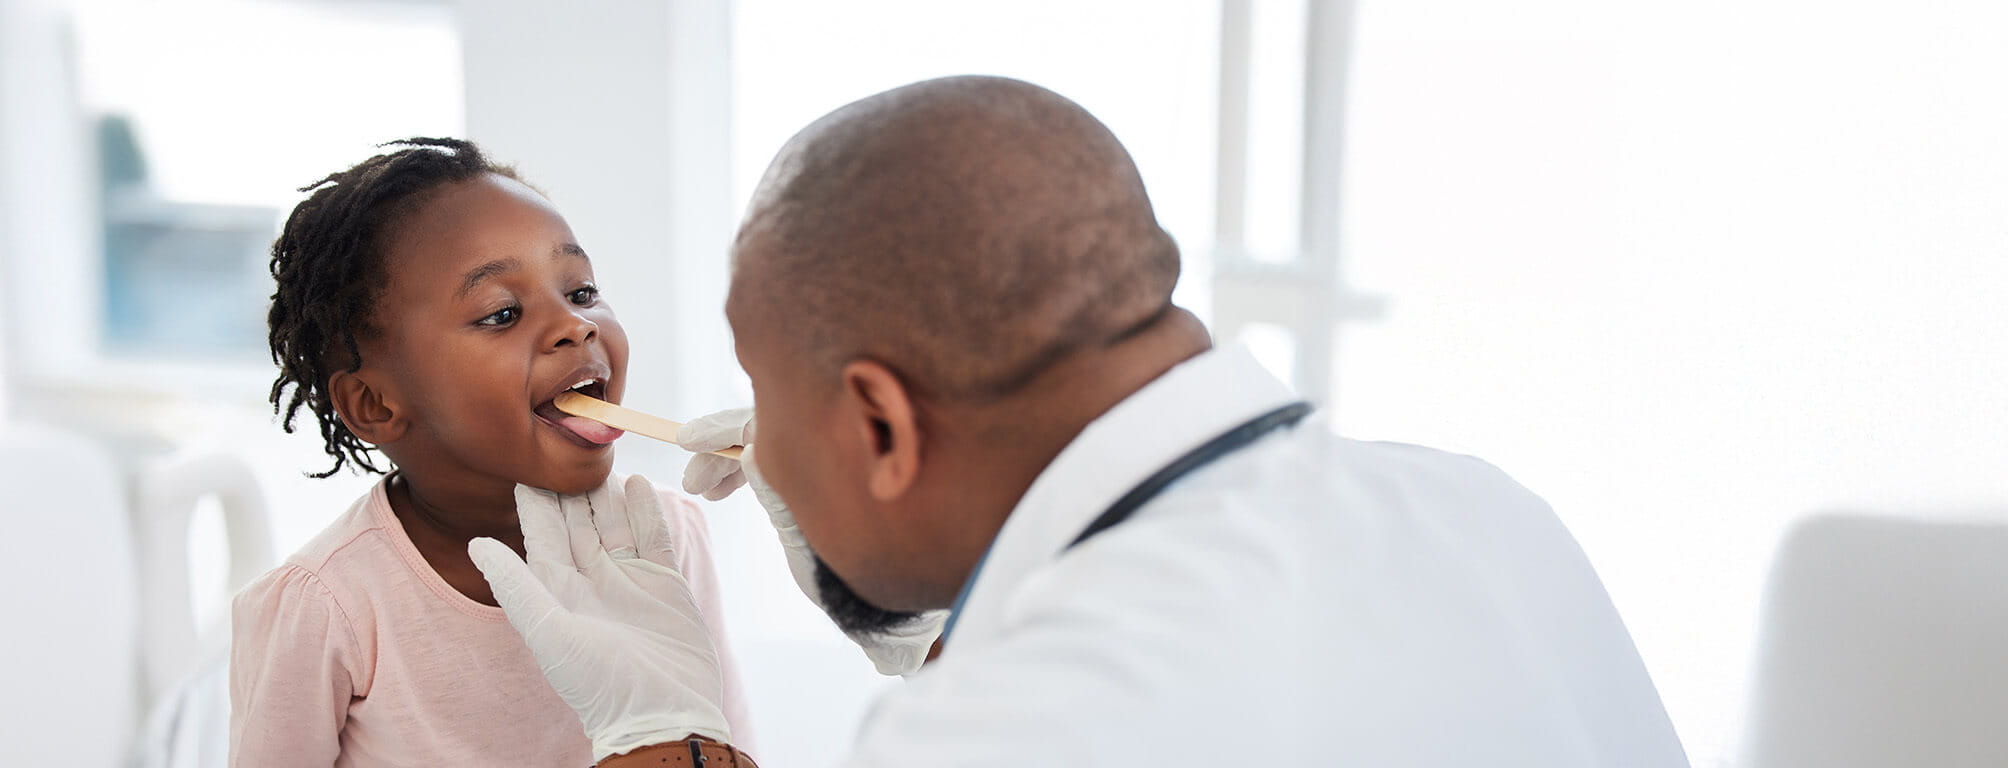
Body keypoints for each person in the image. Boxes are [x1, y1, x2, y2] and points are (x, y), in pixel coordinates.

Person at [468, 77, 1689, 766]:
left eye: (774, 397)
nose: (762, 449)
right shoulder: (1480, 508)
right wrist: (951, 633)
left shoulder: (1004, 734)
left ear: (881, 425)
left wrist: (665, 737)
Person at [229, 138, 747, 767]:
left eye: (582, 292)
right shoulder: (324, 606)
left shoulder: (666, 539)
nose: (576, 325)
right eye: (502, 313)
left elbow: (729, 745)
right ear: (375, 403)